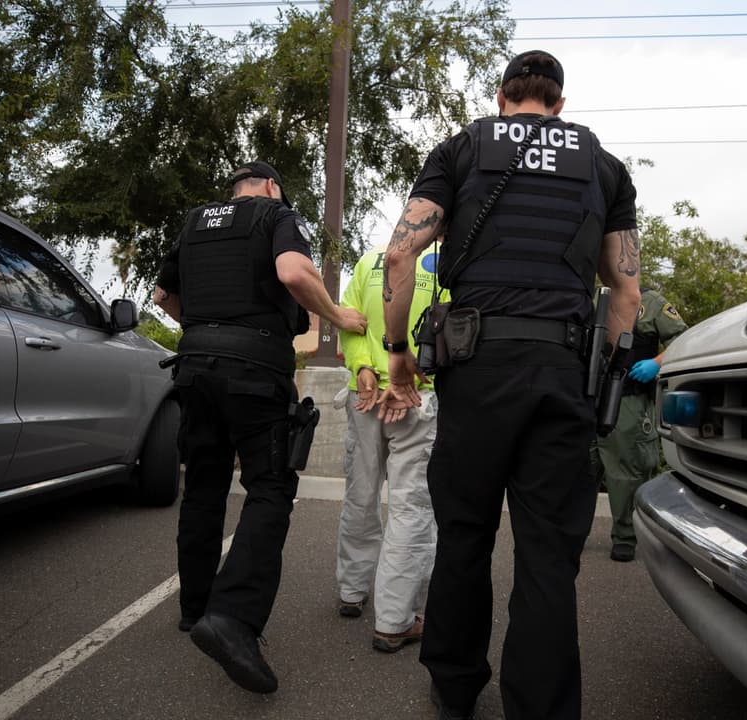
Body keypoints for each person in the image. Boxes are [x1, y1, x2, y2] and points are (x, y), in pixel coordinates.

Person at [378, 50, 641, 720]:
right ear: (559, 103)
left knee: (464, 534)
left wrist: (397, 353)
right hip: (563, 371)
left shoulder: (462, 149)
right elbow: (626, 291)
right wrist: (604, 378)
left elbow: (399, 253)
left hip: (476, 368)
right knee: (549, 552)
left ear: (502, 97)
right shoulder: (605, 167)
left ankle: (456, 686)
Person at [153, 161, 366, 695]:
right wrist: (337, 317)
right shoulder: (276, 215)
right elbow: (293, 273)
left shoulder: (194, 221)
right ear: (272, 187)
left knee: (204, 486)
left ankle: (194, 609)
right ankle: (232, 618)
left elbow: (163, 297)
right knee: (270, 488)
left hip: (194, 367)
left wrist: (205, 330)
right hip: (254, 372)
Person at [336, 243, 445, 653]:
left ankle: (351, 590)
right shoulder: (446, 264)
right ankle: (395, 620)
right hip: (415, 397)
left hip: (363, 395)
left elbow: (350, 320)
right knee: (410, 506)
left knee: (360, 494)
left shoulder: (370, 260)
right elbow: (452, 330)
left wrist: (363, 367)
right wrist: (409, 380)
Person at [590, 288, 688, 563]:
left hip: (628, 398)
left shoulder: (650, 302)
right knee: (582, 467)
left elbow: (683, 338)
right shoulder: (596, 297)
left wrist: (657, 363)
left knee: (627, 470)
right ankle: (573, 530)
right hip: (590, 397)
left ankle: (625, 536)